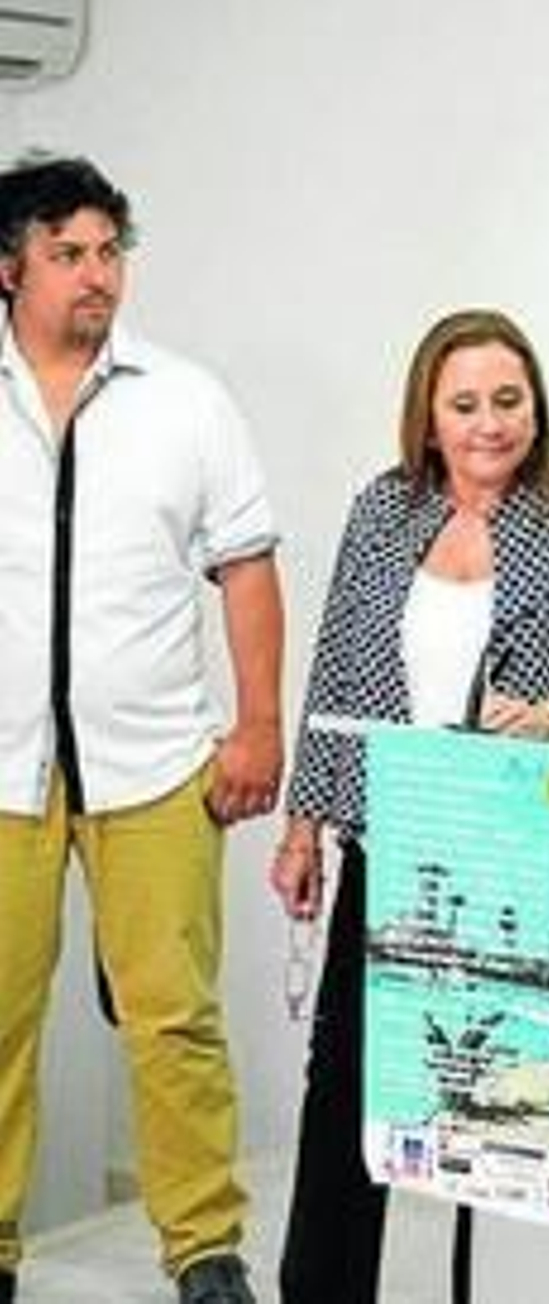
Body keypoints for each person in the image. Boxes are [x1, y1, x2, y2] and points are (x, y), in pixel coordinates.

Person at [269, 307, 549, 1303]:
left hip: (521, 854)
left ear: (537, 404)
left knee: (503, 1107)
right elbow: (337, 669)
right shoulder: (383, 508)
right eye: (466, 404)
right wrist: (304, 821)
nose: (490, 423)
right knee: (347, 1081)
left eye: (508, 400)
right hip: (394, 836)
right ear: (429, 415)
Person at [0, 155, 282, 1304]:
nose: (97, 274)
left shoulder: (186, 398)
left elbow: (246, 565)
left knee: (174, 1019)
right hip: (2, 768)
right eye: (68, 252)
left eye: (110, 250)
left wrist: (258, 725)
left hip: (157, 762)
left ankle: (205, 1249)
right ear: (10, 267)